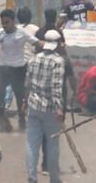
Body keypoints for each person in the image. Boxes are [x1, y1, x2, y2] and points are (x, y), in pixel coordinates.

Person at [25, 30, 65, 183]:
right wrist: (59, 108)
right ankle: (54, 179)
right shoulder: (57, 61)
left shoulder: (33, 59)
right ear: (58, 44)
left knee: (31, 143)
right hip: (50, 110)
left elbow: (27, 84)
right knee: (52, 145)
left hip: (33, 107)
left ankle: (32, 177)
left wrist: (24, 102)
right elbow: (56, 87)